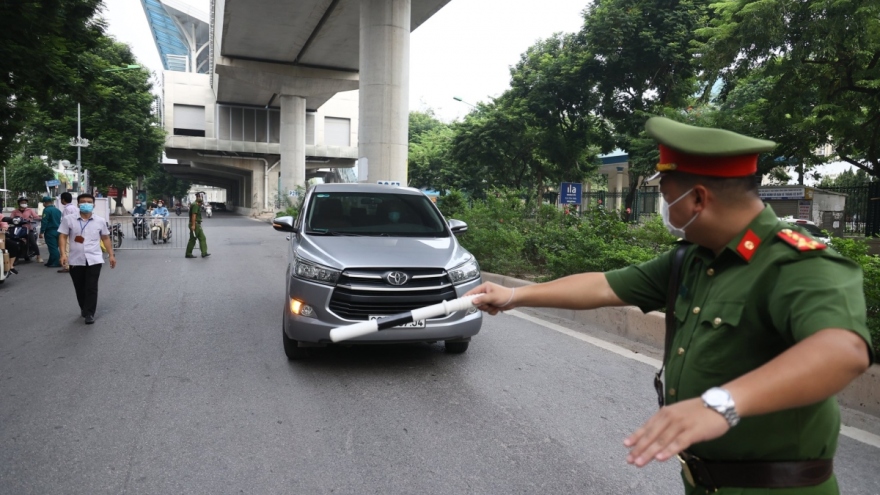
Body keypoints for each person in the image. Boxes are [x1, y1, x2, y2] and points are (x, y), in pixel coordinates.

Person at [466, 117, 874, 494]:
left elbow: (843, 350)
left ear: (697, 199)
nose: (665, 207)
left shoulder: (796, 263)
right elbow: (605, 286)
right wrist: (514, 296)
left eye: (665, 195)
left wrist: (722, 403)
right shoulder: (695, 258)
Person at [59, 193, 116, 324]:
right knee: (79, 287)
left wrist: (111, 255)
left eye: (89, 202)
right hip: (75, 259)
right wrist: (63, 254)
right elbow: (62, 236)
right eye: (83, 201)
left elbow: (105, 238)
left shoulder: (100, 221)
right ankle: (84, 308)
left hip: (94, 259)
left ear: (93, 205)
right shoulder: (69, 219)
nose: (86, 204)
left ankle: (90, 313)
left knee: (91, 286)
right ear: (78, 204)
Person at [10, 197, 42, 263]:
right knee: (12, 241)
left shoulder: (30, 210)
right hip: (18, 229)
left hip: (28, 229)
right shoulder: (15, 211)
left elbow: (36, 217)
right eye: (22, 202)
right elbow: (11, 219)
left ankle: (38, 256)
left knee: (33, 242)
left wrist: (34, 218)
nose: (24, 204)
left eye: (25, 202)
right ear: (19, 203)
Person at [39, 196, 62, 268]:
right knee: (55, 246)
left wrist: (42, 231)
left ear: (44, 203)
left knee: (52, 247)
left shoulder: (46, 210)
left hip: (50, 231)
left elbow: (44, 221)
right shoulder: (57, 210)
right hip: (58, 230)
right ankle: (51, 261)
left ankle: (56, 262)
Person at [58, 192, 78, 273]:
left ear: (63, 199)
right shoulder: (76, 208)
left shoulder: (67, 209)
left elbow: (65, 221)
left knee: (66, 248)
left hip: (69, 231)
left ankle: (67, 266)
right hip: (76, 231)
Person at [185, 194, 209, 259]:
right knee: (193, 239)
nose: (201, 205)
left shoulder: (194, 204)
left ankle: (204, 252)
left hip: (197, 224)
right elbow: (194, 215)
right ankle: (188, 253)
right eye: (201, 204)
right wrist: (193, 225)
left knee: (202, 238)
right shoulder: (195, 205)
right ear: (199, 203)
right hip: (195, 224)